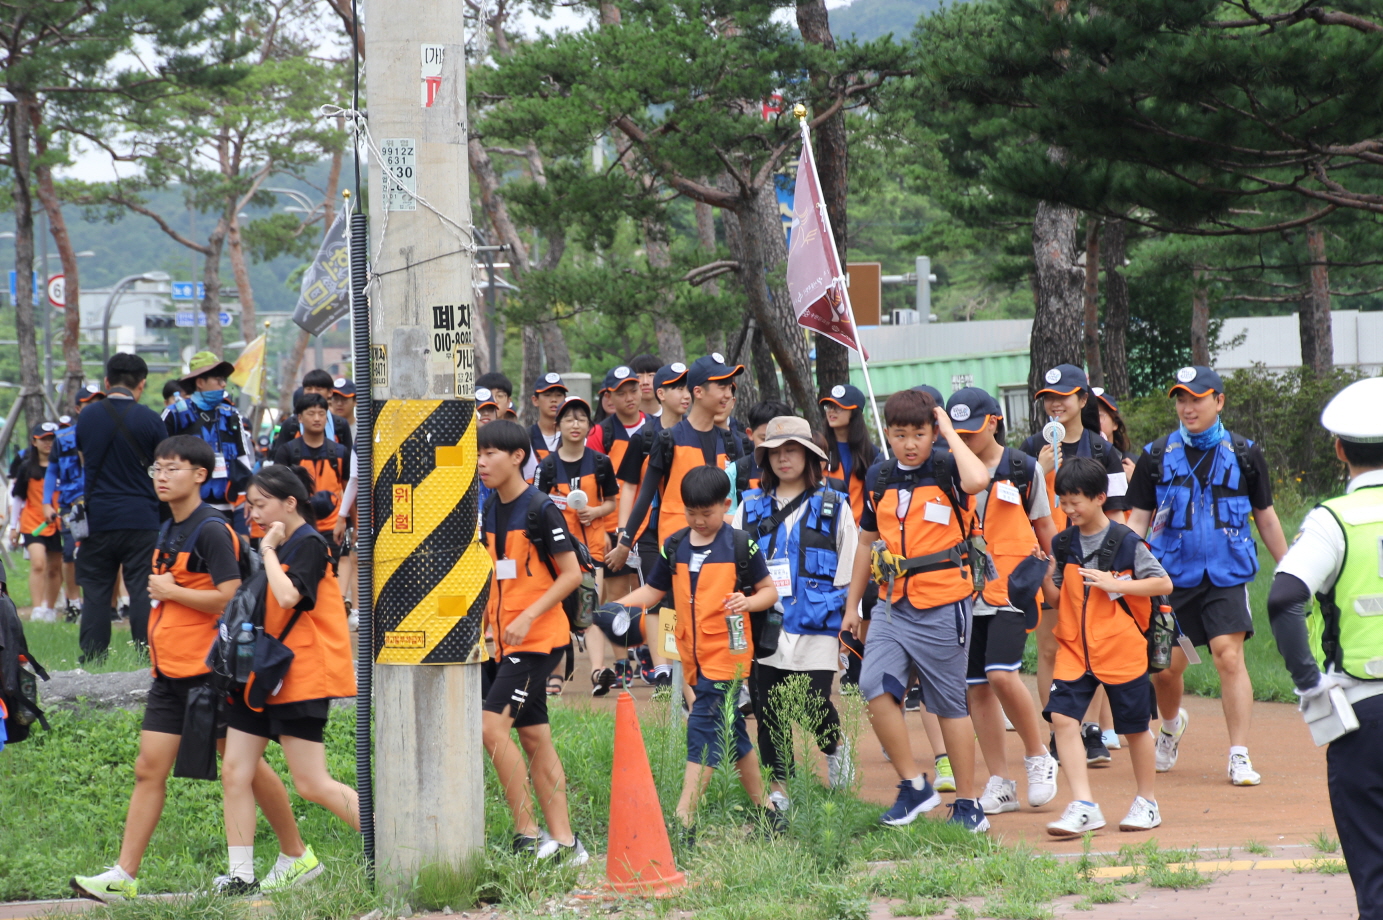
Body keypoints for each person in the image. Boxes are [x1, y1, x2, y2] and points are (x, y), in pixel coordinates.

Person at [70, 436, 311, 902]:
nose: (161, 477)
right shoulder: (168, 527)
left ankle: (295, 853)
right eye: (156, 469)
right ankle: (124, 875)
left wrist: (172, 591)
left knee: (245, 767)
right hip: (169, 675)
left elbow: (232, 595)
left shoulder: (211, 530)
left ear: (200, 475)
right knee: (147, 770)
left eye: (172, 469)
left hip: (208, 674)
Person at [1125, 366, 1288, 786]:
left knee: (1228, 656)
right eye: (1181, 399)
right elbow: (1138, 519)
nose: (1187, 407)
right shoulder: (1157, 455)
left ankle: (1238, 754)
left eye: (1196, 398)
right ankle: (1170, 726)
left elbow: (1266, 518)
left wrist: (1290, 568)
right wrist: (1122, 569)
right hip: (1170, 578)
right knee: (1164, 670)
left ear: (1219, 401)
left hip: (1226, 574)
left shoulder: (1246, 454)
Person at [841, 388, 991, 831]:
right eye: (900, 433)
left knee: (947, 704)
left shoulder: (947, 467)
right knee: (872, 684)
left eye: (919, 433)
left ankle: (968, 804)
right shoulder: (880, 477)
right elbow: (867, 542)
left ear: (932, 432)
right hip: (891, 603)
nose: (910, 443)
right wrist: (853, 605)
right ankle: (914, 785)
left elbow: (979, 481)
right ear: (887, 433)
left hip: (944, 600)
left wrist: (948, 431)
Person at [612, 465, 784, 839]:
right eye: (692, 512)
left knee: (702, 726)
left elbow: (769, 591)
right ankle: (769, 814)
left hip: (728, 655)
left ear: (725, 505)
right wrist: (615, 608)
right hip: (692, 658)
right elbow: (654, 593)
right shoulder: (675, 545)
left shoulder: (740, 544)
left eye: (707, 513)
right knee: (732, 732)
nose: (700, 520)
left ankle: (684, 818)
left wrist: (748, 601)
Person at [1266, 377, 1383, 920]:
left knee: (1375, 868)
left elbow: (1285, 598)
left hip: (1363, 713)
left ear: (1340, 449)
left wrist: (1310, 682)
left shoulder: (1333, 520)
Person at [219, 464, 359, 892]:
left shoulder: (309, 544)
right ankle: (241, 876)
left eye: (261, 504)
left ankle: (396, 844)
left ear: (290, 502)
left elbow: (287, 595)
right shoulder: (280, 542)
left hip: (302, 674)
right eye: (250, 506)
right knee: (235, 771)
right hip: (262, 672)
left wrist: (268, 552)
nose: (254, 514)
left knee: (312, 783)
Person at [943, 388, 1060, 816]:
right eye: (958, 433)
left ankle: (1038, 756)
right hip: (960, 591)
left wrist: (1054, 585)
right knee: (976, 688)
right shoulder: (946, 470)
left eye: (973, 431)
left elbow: (1045, 527)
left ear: (994, 421)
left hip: (1011, 588)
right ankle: (1001, 781)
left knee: (1002, 674)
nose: (967, 439)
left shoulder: (1022, 468)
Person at [1040, 457, 1172, 837]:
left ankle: (1147, 802)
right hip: (1074, 649)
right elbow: (1056, 598)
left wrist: (1116, 583)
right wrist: (1037, 578)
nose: (1068, 510)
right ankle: (1083, 805)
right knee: (1063, 719)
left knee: (1134, 730)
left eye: (1075, 501)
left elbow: (1163, 585)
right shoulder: (1062, 543)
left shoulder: (1126, 541)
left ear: (1100, 497)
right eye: (1062, 501)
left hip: (1121, 649)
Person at [476, 419, 588, 863]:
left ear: (517, 456)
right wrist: (489, 625)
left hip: (538, 640)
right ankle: (565, 843)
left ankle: (527, 834)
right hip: (502, 644)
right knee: (535, 737)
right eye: (478, 454)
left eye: (490, 454)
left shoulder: (542, 509)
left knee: (491, 728)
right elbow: (493, 574)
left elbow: (572, 575)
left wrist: (527, 616)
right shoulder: (490, 509)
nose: (481, 462)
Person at [734, 416, 857, 804]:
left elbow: (851, 564)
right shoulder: (750, 505)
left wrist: (850, 615)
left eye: (791, 451)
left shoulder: (835, 504)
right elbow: (732, 558)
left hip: (817, 622)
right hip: (765, 622)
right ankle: (778, 789)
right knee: (768, 708)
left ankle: (834, 745)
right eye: (774, 452)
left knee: (811, 701)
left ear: (809, 456)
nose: (783, 459)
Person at [608, 354, 744, 689]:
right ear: (699, 392)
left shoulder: (732, 441)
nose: (728, 393)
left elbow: (744, 497)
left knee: (728, 609)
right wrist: (625, 541)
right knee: (676, 613)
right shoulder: (666, 440)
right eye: (721, 386)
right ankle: (679, 683)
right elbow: (643, 494)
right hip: (677, 546)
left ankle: (732, 683)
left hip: (725, 545)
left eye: (730, 386)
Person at [1022, 364, 1131, 762]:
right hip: (1050, 558)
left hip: (1094, 560)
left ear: (1082, 400)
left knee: (1093, 643)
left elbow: (1118, 512)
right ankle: (1059, 729)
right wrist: (1041, 469)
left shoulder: (1103, 449)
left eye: (1063, 397)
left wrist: (1115, 564)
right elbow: (1015, 508)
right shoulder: (1032, 447)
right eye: (1048, 398)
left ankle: (1091, 728)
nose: (1054, 404)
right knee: (1051, 647)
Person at [76, 353, 167, 660]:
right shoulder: (151, 419)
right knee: (142, 589)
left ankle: (92, 657)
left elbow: (85, 462)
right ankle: (146, 655)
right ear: (141, 385)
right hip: (142, 518)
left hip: (98, 517)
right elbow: (161, 470)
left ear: (106, 382)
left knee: (97, 592)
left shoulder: (87, 417)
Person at [534, 396, 617, 696]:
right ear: (559, 425)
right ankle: (554, 674)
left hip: (591, 551)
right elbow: (536, 505)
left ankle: (597, 671)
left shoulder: (600, 462)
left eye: (581, 418)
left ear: (589, 426)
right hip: (556, 553)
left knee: (589, 608)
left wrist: (595, 512)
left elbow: (611, 502)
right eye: (568, 418)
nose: (575, 424)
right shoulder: (548, 466)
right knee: (555, 609)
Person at [162, 351, 255, 521]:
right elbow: (159, 459)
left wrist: (249, 496)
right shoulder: (173, 414)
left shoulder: (232, 415)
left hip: (228, 508)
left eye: (224, 380)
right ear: (200, 382)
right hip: (185, 508)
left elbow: (243, 461)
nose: (223, 385)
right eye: (218, 379)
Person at [47, 385, 105, 621]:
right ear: (78, 408)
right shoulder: (63, 438)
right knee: (70, 553)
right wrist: (45, 503)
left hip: (102, 502)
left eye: (98, 403)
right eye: (88, 404)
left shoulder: (110, 433)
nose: (94, 409)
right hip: (72, 505)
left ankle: (103, 604)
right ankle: (73, 602)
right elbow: (52, 471)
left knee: (103, 554)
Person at [272, 394, 350, 548]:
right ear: (300, 418)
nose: (317, 418)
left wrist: (349, 523)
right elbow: (276, 491)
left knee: (332, 570)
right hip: (297, 526)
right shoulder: (287, 451)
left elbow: (350, 490)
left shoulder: (340, 452)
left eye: (322, 414)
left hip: (332, 526)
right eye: (311, 413)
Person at [9, 423, 62, 621]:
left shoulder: (63, 467)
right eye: (44, 439)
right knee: (38, 563)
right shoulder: (26, 468)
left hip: (57, 523)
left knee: (55, 567)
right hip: (33, 523)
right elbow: (18, 498)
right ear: (34, 442)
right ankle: (37, 608)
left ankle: (50, 608)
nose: (48, 443)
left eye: (52, 439)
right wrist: (13, 527)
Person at [270, 370, 353, 454]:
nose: (313, 393)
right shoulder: (291, 425)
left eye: (318, 389)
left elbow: (348, 459)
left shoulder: (340, 424)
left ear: (330, 392)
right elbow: (280, 461)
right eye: (309, 389)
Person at [728, 400, 792, 506]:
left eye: (780, 439)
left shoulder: (802, 470)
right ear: (750, 434)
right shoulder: (736, 472)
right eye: (764, 438)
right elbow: (724, 515)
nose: (772, 445)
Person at [526, 372, 568, 481]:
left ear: (565, 399)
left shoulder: (573, 436)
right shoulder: (526, 438)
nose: (554, 400)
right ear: (535, 400)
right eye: (547, 395)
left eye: (559, 395)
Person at [630, 353, 662, 419]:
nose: (645, 382)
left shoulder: (673, 417)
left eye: (651, 375)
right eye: (638, 376)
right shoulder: (623, 420)